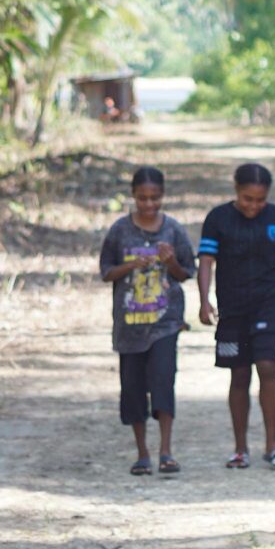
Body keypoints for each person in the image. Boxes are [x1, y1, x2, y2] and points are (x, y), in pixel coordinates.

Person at [198, 163, 275, 470]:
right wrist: (204, 301)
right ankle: (240, 447)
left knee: (267, 365)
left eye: (260, 200)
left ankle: (273, 444)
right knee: (239, 373)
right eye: (247, 199)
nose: (254, 206)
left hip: (270, 304)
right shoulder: (218, 219)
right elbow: (206, 261)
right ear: (236, 190)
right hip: (232, 308)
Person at [100, 166, 195, 476]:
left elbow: (185, 274)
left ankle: (166, 451)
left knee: (163, 381)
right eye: (143, 198)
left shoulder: (174, 230)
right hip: (129, 325)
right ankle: (142, 453)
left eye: (155, 198)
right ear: (133, 196)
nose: (149, 204)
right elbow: (106, 272)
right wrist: (129, 265)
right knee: (133, 388)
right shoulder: (119, 231)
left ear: (163, 197)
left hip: (165, 322)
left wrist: (171, 262)